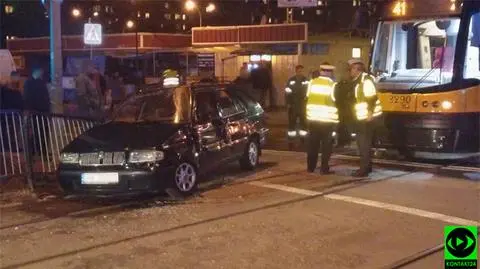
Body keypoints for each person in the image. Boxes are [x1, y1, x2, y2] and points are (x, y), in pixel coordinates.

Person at [348, 59, 383, 177]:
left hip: (367, 119)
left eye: (351, 69)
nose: (350, 72)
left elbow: (371, 98)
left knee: (363, 144)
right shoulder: (360, 80)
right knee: (365, 144)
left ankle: (363, 170)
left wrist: (369, 113)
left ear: (357, 70)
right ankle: (367, 167)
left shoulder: (365, 81)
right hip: (363, 118)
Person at [305, 64, 338, 174]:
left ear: (320, 71)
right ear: (329, 72)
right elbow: (336, 101)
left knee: (313, 145)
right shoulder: (332, 85)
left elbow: (307, 98)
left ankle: (310, 167)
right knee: (326, 146)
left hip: (313, 119)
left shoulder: (312, 83)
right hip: (327, 121)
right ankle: (324, 168)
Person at [285, 65, 309, 148]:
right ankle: (291, 141)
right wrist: (288, 103)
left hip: (303, 105)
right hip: (293, 105)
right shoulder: (291, 80)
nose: (300, 72)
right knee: (292, 124)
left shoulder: (306, 80)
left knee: (304, 124)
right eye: (298, 70)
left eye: (301, 70)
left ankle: (303, 139)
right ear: (296, 71)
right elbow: (287, 92)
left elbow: (308, 92)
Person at [333, 61, 356, 148]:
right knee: (342, 126)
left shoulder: (349, 84)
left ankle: (345, 141)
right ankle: (343, 141)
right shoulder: (343, 84)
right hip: (343, 109)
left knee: (345, 126)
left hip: (346, 109)